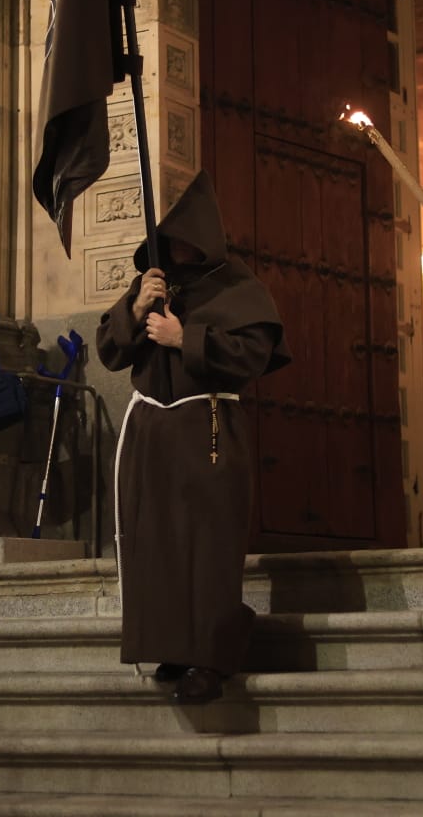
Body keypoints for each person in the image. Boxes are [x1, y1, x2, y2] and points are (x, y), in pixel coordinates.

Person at [96, 172, 290, 705]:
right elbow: (110, 352)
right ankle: (170, 648)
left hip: (207, 427)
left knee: (208, 547)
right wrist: (135, 310)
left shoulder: (238, 288)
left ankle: (211, 658)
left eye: (185, 243)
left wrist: (188, 339)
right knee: (155, 543)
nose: (176, 251)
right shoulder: (154, 285)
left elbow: (253, 357)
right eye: (169, 243)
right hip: (150, 430)